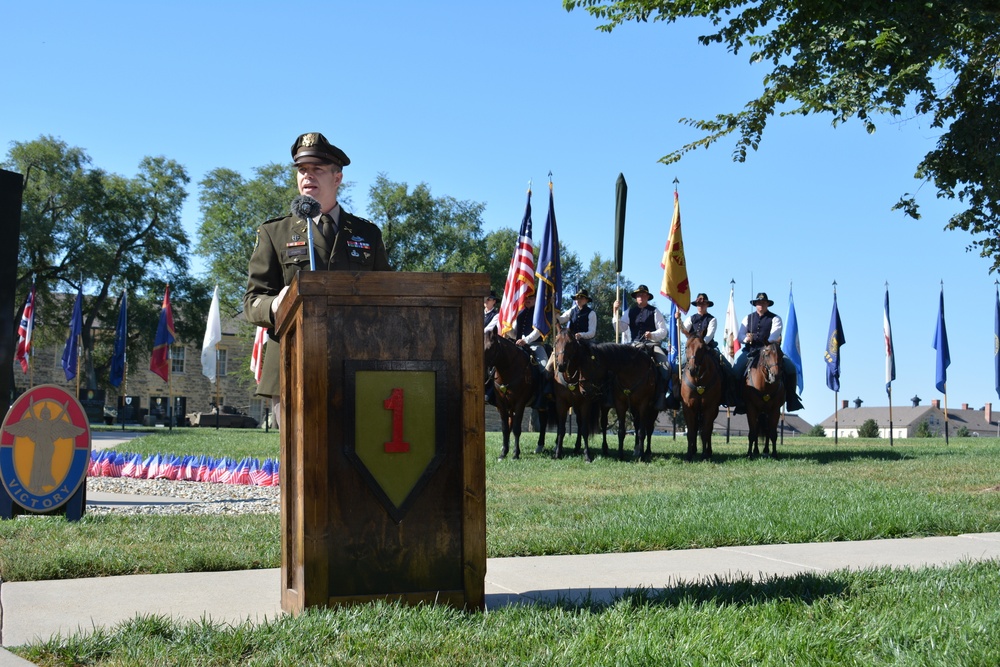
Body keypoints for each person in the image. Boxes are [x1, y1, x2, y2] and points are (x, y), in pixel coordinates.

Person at [243, 132, 392, 426]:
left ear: (337, 178)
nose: (307, 176)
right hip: (290, 360)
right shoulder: (276, 233)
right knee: (298, 456)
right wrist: (275, 305)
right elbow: (252, 301)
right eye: (302, 170)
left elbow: (385, 298)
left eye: (317, 170)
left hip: (353, 360)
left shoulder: (367, 234)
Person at [732, 292, 803, 412]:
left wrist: (758, 339)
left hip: (771, 351)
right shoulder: (748, 318)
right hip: (751, 351)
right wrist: (747, 339)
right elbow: (740, 336)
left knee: (791, 368)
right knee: (735, 371)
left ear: (767, 304)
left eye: (763, 302)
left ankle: (791, 398)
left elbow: (774, 336)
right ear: (755, 304)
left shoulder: (775, 318)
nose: (761, 305)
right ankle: (737, 398)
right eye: (759, 303)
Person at [613, 284, 671, 410]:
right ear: (636, 298)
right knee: (615, 364)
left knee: (666, 367)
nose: (641, 297)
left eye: (643, 295)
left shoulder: (655, 311)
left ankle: (662, 397)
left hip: (651, 345)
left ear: (647, 297)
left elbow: (663, 331)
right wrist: (615, 312)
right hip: (634, 345)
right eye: (638, 295)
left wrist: (652, 335)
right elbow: (620, 328)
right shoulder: (629, 312)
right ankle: (614, 395)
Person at [676, 293, 737, 406]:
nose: (701, 305)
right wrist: (679, 321)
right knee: (676, 368)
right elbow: (685, 331)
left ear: (707, 305)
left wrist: (701, 344)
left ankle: (728, 395)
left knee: (728, 368)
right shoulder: (691, 318)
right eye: (699, 304)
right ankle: (675, 395)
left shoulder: (712, 319)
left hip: (708, 348)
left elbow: (709, 335)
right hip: (693, 350)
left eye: (703, 303)